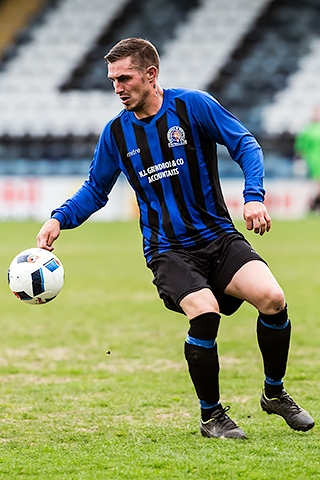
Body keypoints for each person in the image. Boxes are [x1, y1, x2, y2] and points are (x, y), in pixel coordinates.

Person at [37, 38, 314, 439]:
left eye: (125, 77)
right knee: (204, 311)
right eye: (113, 79)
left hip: (218, 237)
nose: (117, 87)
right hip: (168, 250)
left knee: (273, 299)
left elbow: (245, 144)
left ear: (151, 75)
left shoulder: (193, 106)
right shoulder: (116, 133)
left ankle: (274, 393)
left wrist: (253, 197)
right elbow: (96, 190)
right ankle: (211, 416)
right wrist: (58, 219)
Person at [294, 106, 320, 212]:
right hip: (313, 161)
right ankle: (312, 205)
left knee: (316, 185)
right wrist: (300, 161)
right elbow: (300, 147)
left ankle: (312, 205)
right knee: (316, 183)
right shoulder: (307, 129)